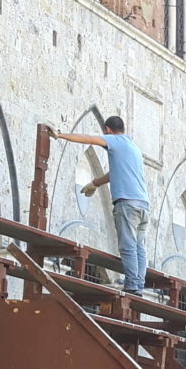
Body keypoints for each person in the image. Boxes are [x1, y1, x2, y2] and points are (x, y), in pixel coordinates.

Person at [49, 117, 150, 294]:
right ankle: (139, 285)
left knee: (127, 246)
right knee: (139, 247)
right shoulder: (133, 148)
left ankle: (132, 285)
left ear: (108, 130)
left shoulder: (114, 140)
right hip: (143, 205)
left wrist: (60, 135)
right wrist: (95, 183)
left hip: (127, 203)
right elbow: (115, 173)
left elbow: (90, 139)